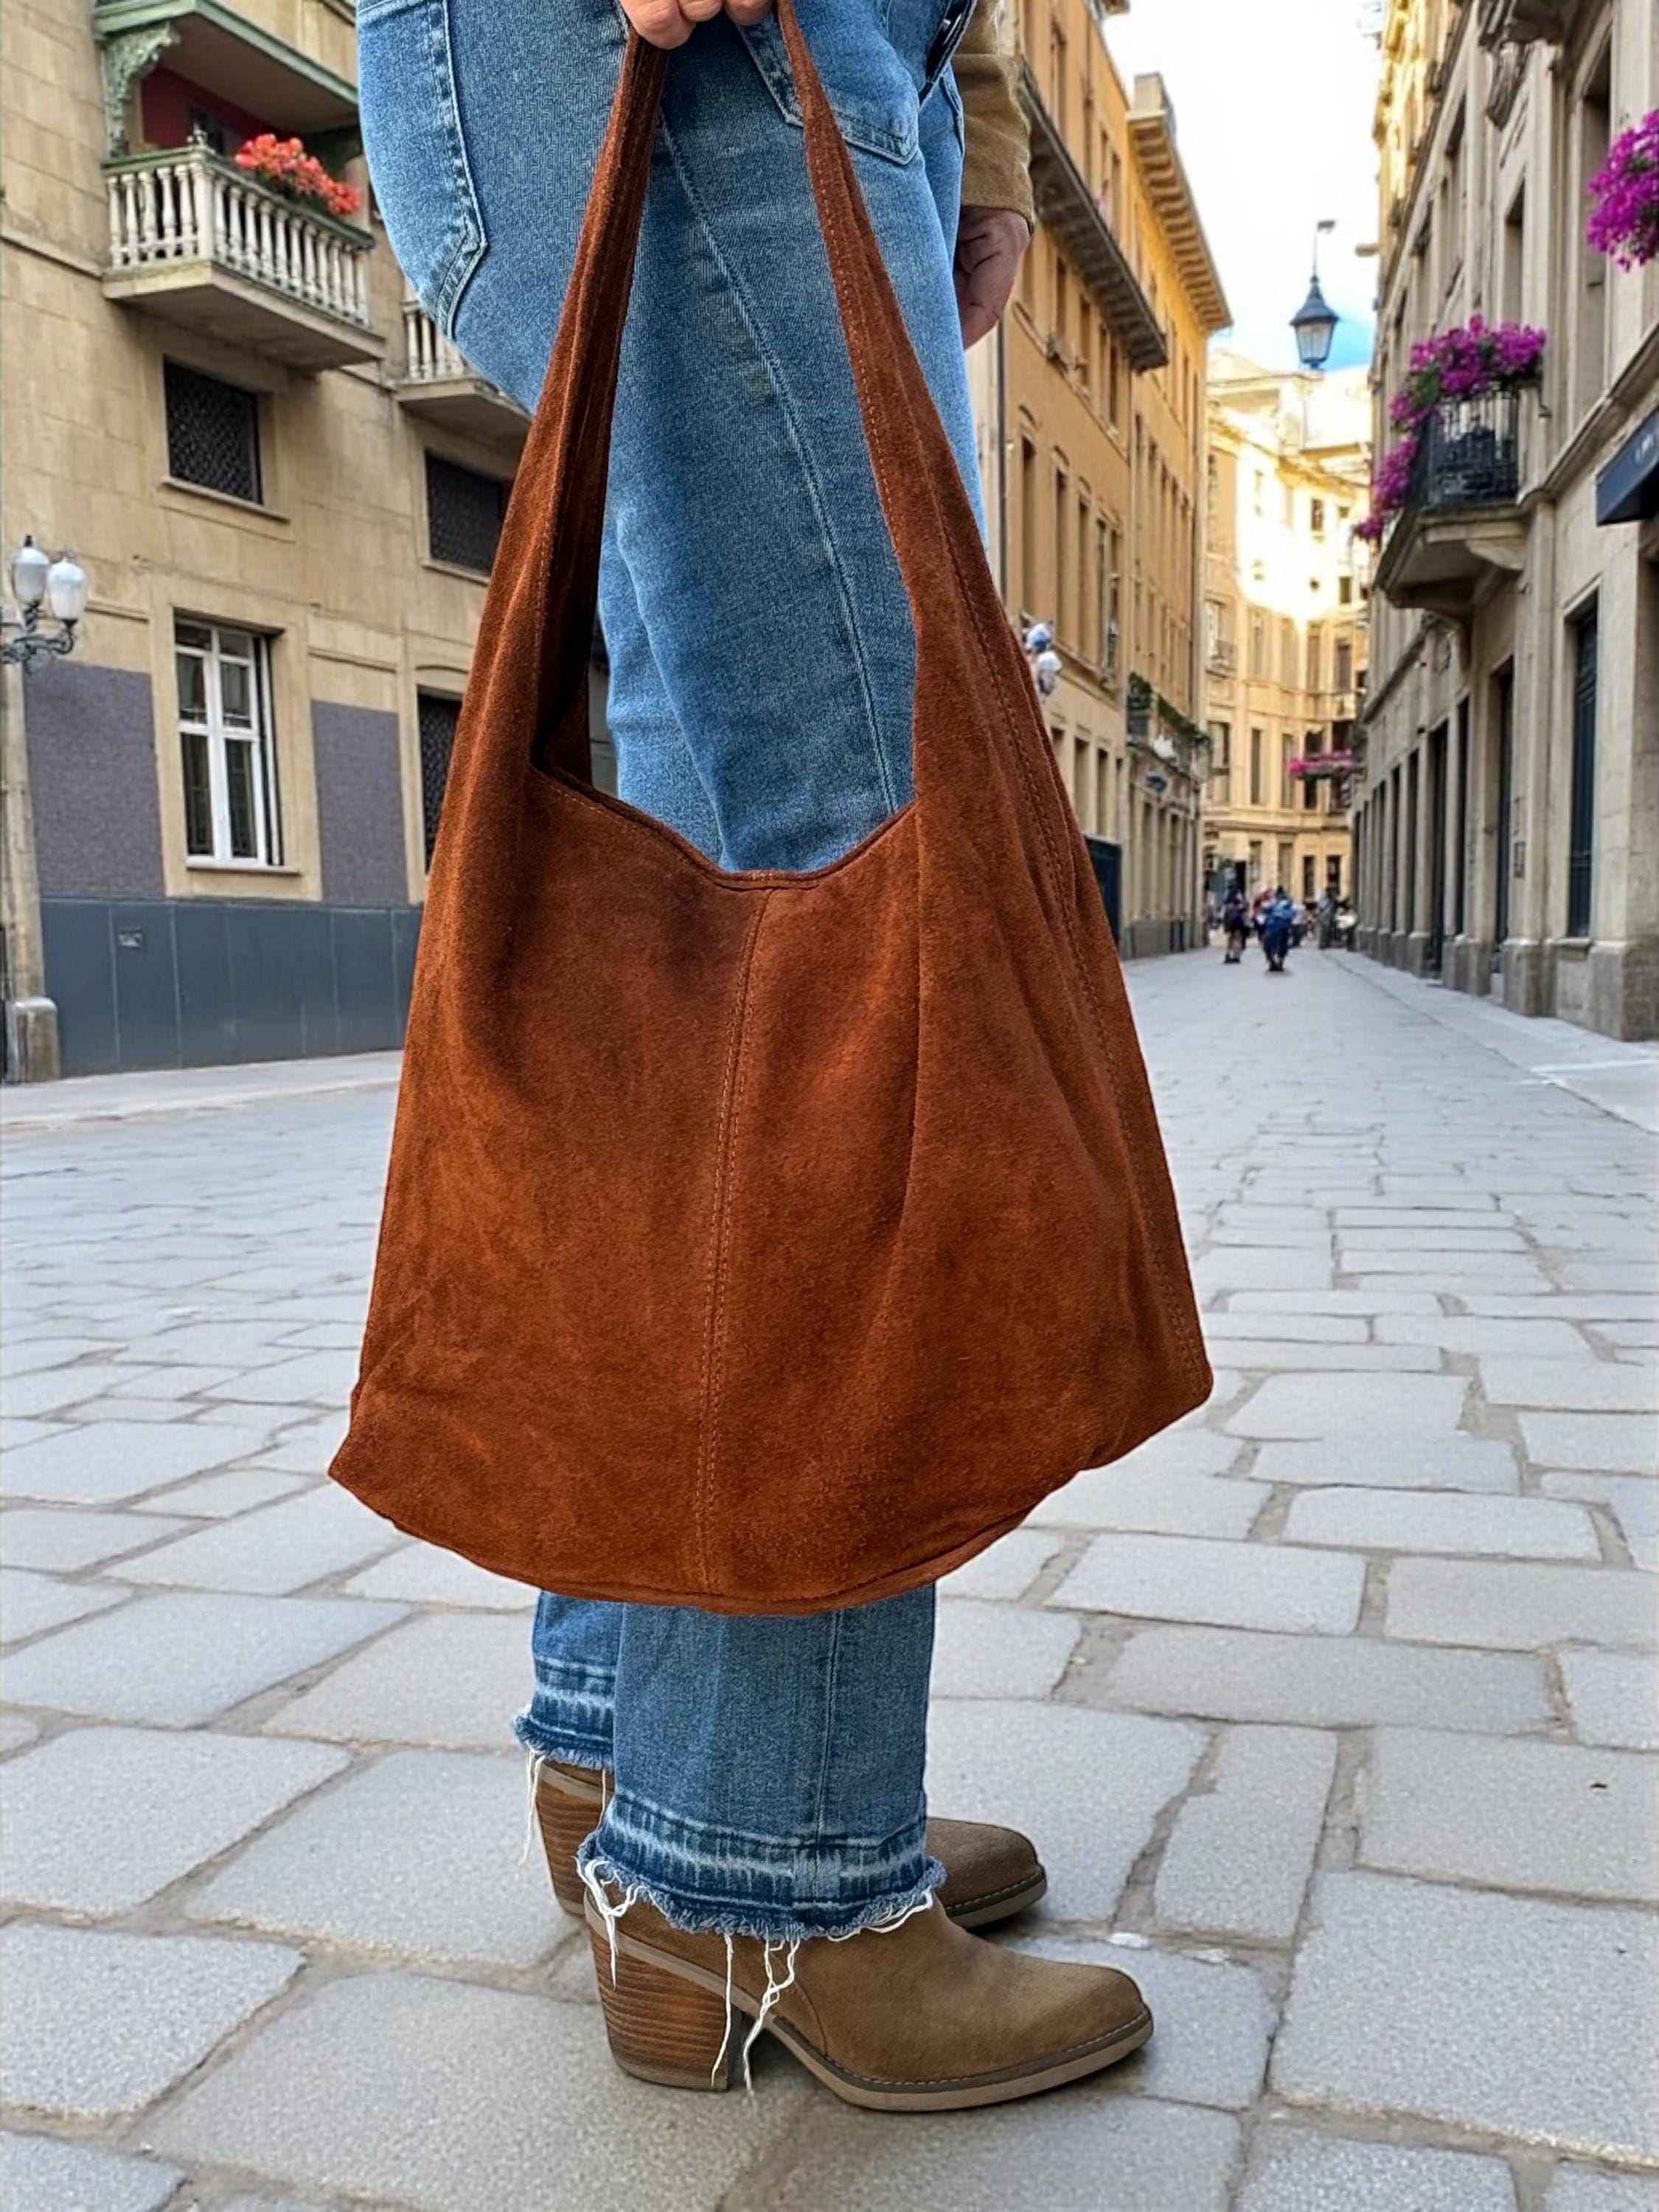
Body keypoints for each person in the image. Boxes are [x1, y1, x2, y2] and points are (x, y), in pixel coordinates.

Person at [358, 0, 1150, 2111]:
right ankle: (761, 1872)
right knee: (851, 909)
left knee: (724, 959)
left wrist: (965, 115)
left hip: (818, 47)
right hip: (701, 48)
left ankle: (640, 1776)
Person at [1260, 886, 1296, 974]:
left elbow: (1264, 912)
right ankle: (1279, 962)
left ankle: (1272, 962)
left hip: (1271, 926)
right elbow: (1293, 914)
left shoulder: (1273, 903)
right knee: (1283, 945)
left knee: (1268, 945)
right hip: (1284, 927)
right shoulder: (1288, 904)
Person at [1221, 884, 1249, 963]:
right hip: (1237, 920)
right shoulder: (1238, 897)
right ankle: (1236, 956)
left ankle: (1228, 954)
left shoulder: (1227, 899)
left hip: (1229, 921)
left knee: (1230, 937)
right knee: (1237, 938)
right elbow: (1244, 908)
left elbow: (1225, 910)